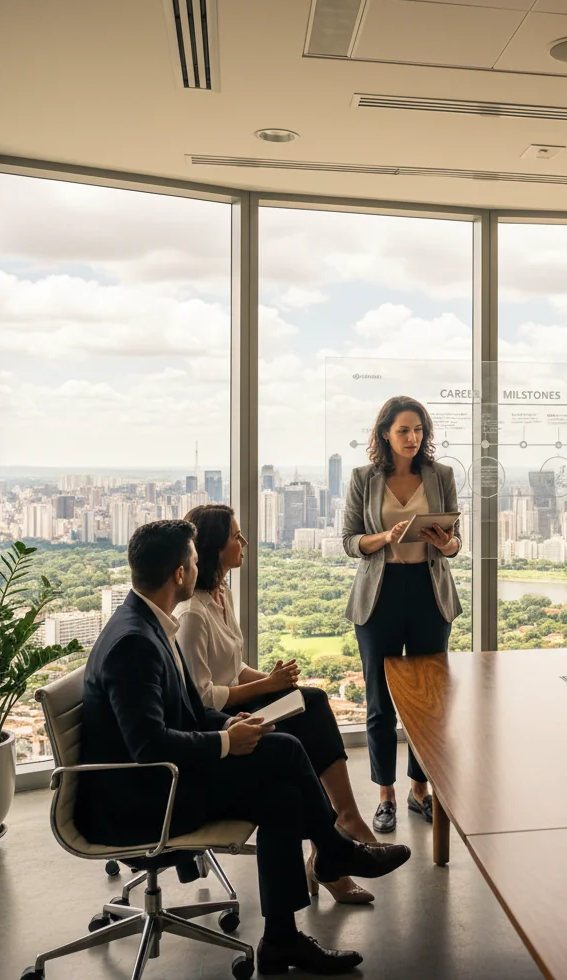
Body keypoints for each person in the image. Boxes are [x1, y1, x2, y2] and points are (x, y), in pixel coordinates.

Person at [76, 520, 411, 975]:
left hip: (161, 781)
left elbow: (191, 708)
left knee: (283, 797)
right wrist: (224, 741)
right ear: (179, 574)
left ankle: (282, 939)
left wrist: (230, 722)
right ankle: (335, 850)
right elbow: (147, 745)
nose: (199, 568)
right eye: (194, 562)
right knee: (287, 752)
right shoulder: (135, 643)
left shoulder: (151, 623)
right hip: (144, 800)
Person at [176, 504, 378, 905]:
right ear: (217, 547)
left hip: (239, 704)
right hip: (222, 722)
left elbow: (233, 668)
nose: (244, 543)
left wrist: (273, 682)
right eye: (237, 536)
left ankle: (342, 826)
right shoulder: (192, 615)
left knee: (312, 701)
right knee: (298, 737)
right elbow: (203, 697)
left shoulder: (223, 595)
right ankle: (334, 847)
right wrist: (267, 686)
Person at [343, 395, 462, 835]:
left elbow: (454, 543)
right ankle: (385, 795)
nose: (413, 438)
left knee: (428, 703)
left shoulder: (441, 475)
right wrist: (383, 537)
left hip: (429, 593)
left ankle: (419, 790)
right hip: (380, 593)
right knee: (379, 703)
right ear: (385, 435)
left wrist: (444, 540)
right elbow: (349, 540)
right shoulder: (363, 478)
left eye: (419, 430)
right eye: (404, 431)